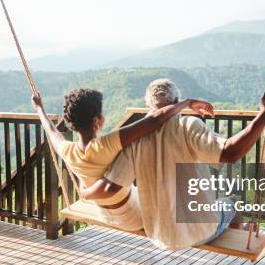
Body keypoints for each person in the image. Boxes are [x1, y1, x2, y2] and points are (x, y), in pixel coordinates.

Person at [79, 79, 265, 250]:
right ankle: (238, 237)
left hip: (160, 235)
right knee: (232, 204)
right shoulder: (187, 126)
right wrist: (264, 115)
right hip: (199, 231)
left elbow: (110, 186)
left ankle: (235, 232)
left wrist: (85, 193)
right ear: (176, 103)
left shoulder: (136, 139)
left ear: (150, 106)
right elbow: (230, 153)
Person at [31, 88, 216, 232]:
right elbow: (153, 121)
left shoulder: (67, 150)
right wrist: (187, 103)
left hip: (107, 214)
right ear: (97, 121)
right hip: (133, 217)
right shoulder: (105, 145)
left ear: (71, 123)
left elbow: (51, 131)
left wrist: (39, 108)